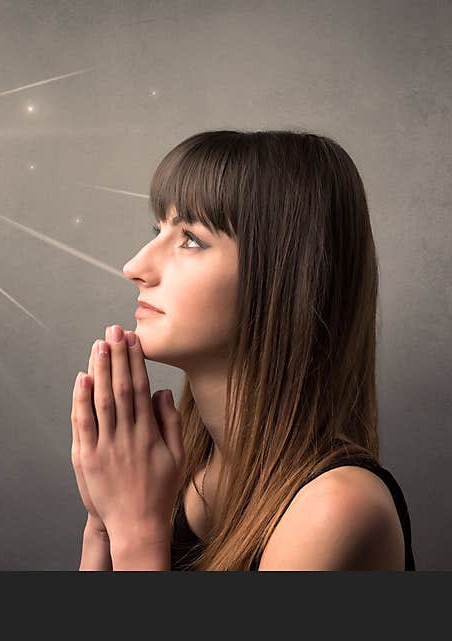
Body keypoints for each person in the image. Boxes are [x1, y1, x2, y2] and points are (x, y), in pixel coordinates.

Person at [70, 130, 415, 571]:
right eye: (158, 229)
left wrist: (135, 532)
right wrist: (102, 523)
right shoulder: (178, 474)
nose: (134, 267)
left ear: (284, 277)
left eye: (191, 239)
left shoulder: (335, 510)